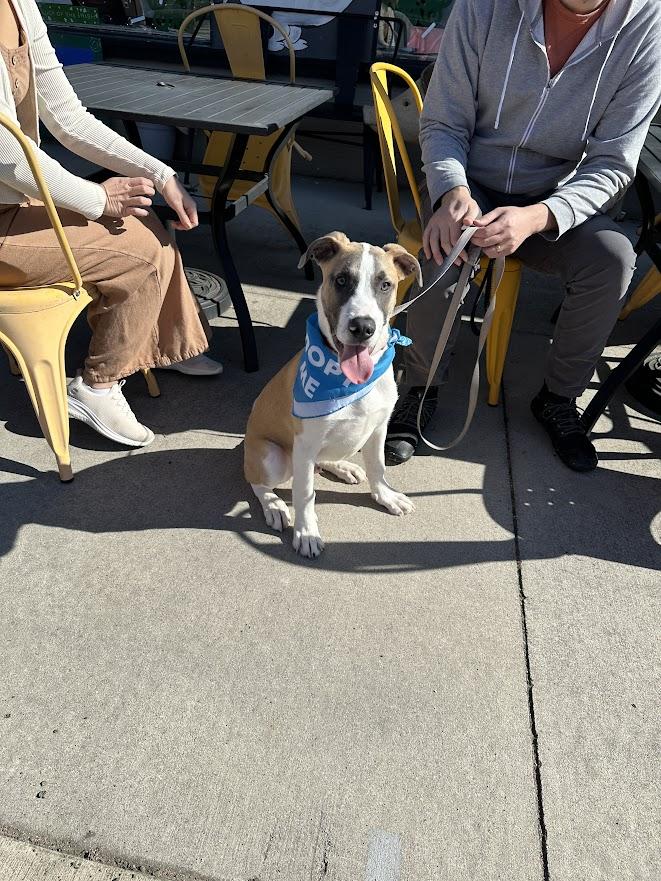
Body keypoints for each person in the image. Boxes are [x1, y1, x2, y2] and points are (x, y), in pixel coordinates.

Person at [385, 0, 661, 472]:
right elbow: (445, 120)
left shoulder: (647, 24)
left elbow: (614, 163)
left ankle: (558, 397)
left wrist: (540, 216)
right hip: (471, 181)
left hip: (557, 200)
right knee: (443, 247)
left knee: (613, 258)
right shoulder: (482, 7)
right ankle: (419, 386)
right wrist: (452, 191)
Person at [0, 0, 222, 449]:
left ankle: (164, 345)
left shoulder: (20, 6)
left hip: (12, 199)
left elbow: (68, 117)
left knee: (143, 221)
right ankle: (96, 385)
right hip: (8, 203)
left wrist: (160, 174)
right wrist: (98, 199)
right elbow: (7, 155)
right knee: (139, 250)